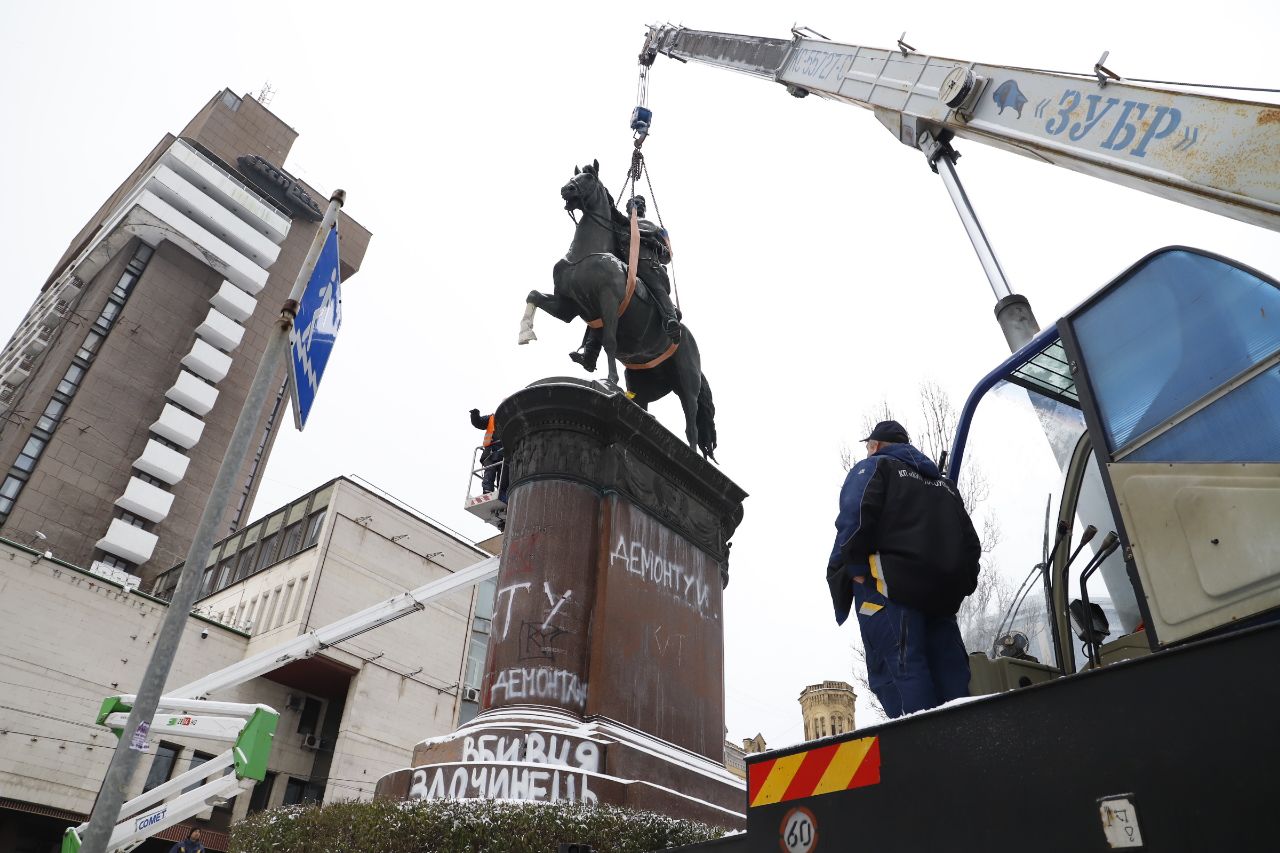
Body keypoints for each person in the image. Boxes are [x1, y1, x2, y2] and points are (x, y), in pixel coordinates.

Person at [826, 419, 981, 718]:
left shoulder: (874, 467)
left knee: (902, 673)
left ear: (875, 445)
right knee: (952, 677)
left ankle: (922, 743)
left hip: (889, 589)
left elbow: (855, 515)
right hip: (940, 600)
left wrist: (856, 567)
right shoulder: (945, 486)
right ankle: (962, 739)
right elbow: (970, 544)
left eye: (869, 447)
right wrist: (962, 584)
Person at [570, 195, 681, 372]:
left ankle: (670, 320)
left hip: (647, 266)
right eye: (634, 204)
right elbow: (610, 217)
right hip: (623, 270)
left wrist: (655, 244)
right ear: (629, 208)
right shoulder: (622, 224)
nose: (638, 206)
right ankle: (590, 353)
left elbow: (667, 256)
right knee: (600, 308)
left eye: (641, 204)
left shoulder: (655, 228)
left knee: (657, 289)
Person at [469, 408, 502, 495]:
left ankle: (502, 491)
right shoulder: (491, 418)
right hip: (490, 451)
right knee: (490, 470)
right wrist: (475, 415)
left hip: (504, 452)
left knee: (503, 473)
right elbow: (479, 422)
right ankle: (487, 490)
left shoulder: (511, 421)